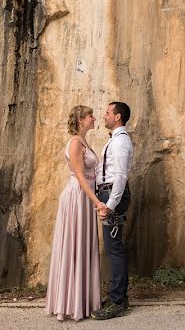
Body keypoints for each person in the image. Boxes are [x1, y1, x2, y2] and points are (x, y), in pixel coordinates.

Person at [45, 105, 108, 321]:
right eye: (91, 115)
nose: (94, 118)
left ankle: (84, 300)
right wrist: (97, 202)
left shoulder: (83, 142)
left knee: (83, 245)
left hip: (85, 196)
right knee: (75, 245)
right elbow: (80, 176)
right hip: (78, 197)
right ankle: (71, 303)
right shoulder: (74, 143)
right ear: (81, 120)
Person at [91, 101, 133, 320]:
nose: (104, 115)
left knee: (113, 248)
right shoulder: (115, 141)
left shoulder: (121, 143)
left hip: (112, 196)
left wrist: (110, 205)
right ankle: (120, 298)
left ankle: (117, 302)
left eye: (107, 112)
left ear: (117, 117)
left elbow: (120, 177)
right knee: (114, 247)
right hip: (108, 194)